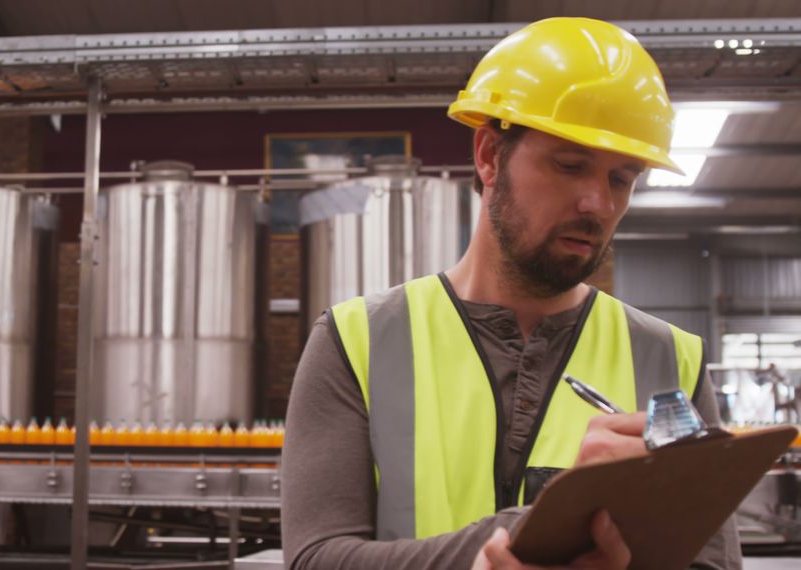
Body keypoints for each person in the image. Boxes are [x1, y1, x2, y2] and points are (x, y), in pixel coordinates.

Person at [281, 17, 742, 569]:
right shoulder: (355, 342)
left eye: (621, 179)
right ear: (489, 156)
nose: (597, 203)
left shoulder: (671, 359)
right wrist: (547, 525)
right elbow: (315, 559)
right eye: (570, 166)